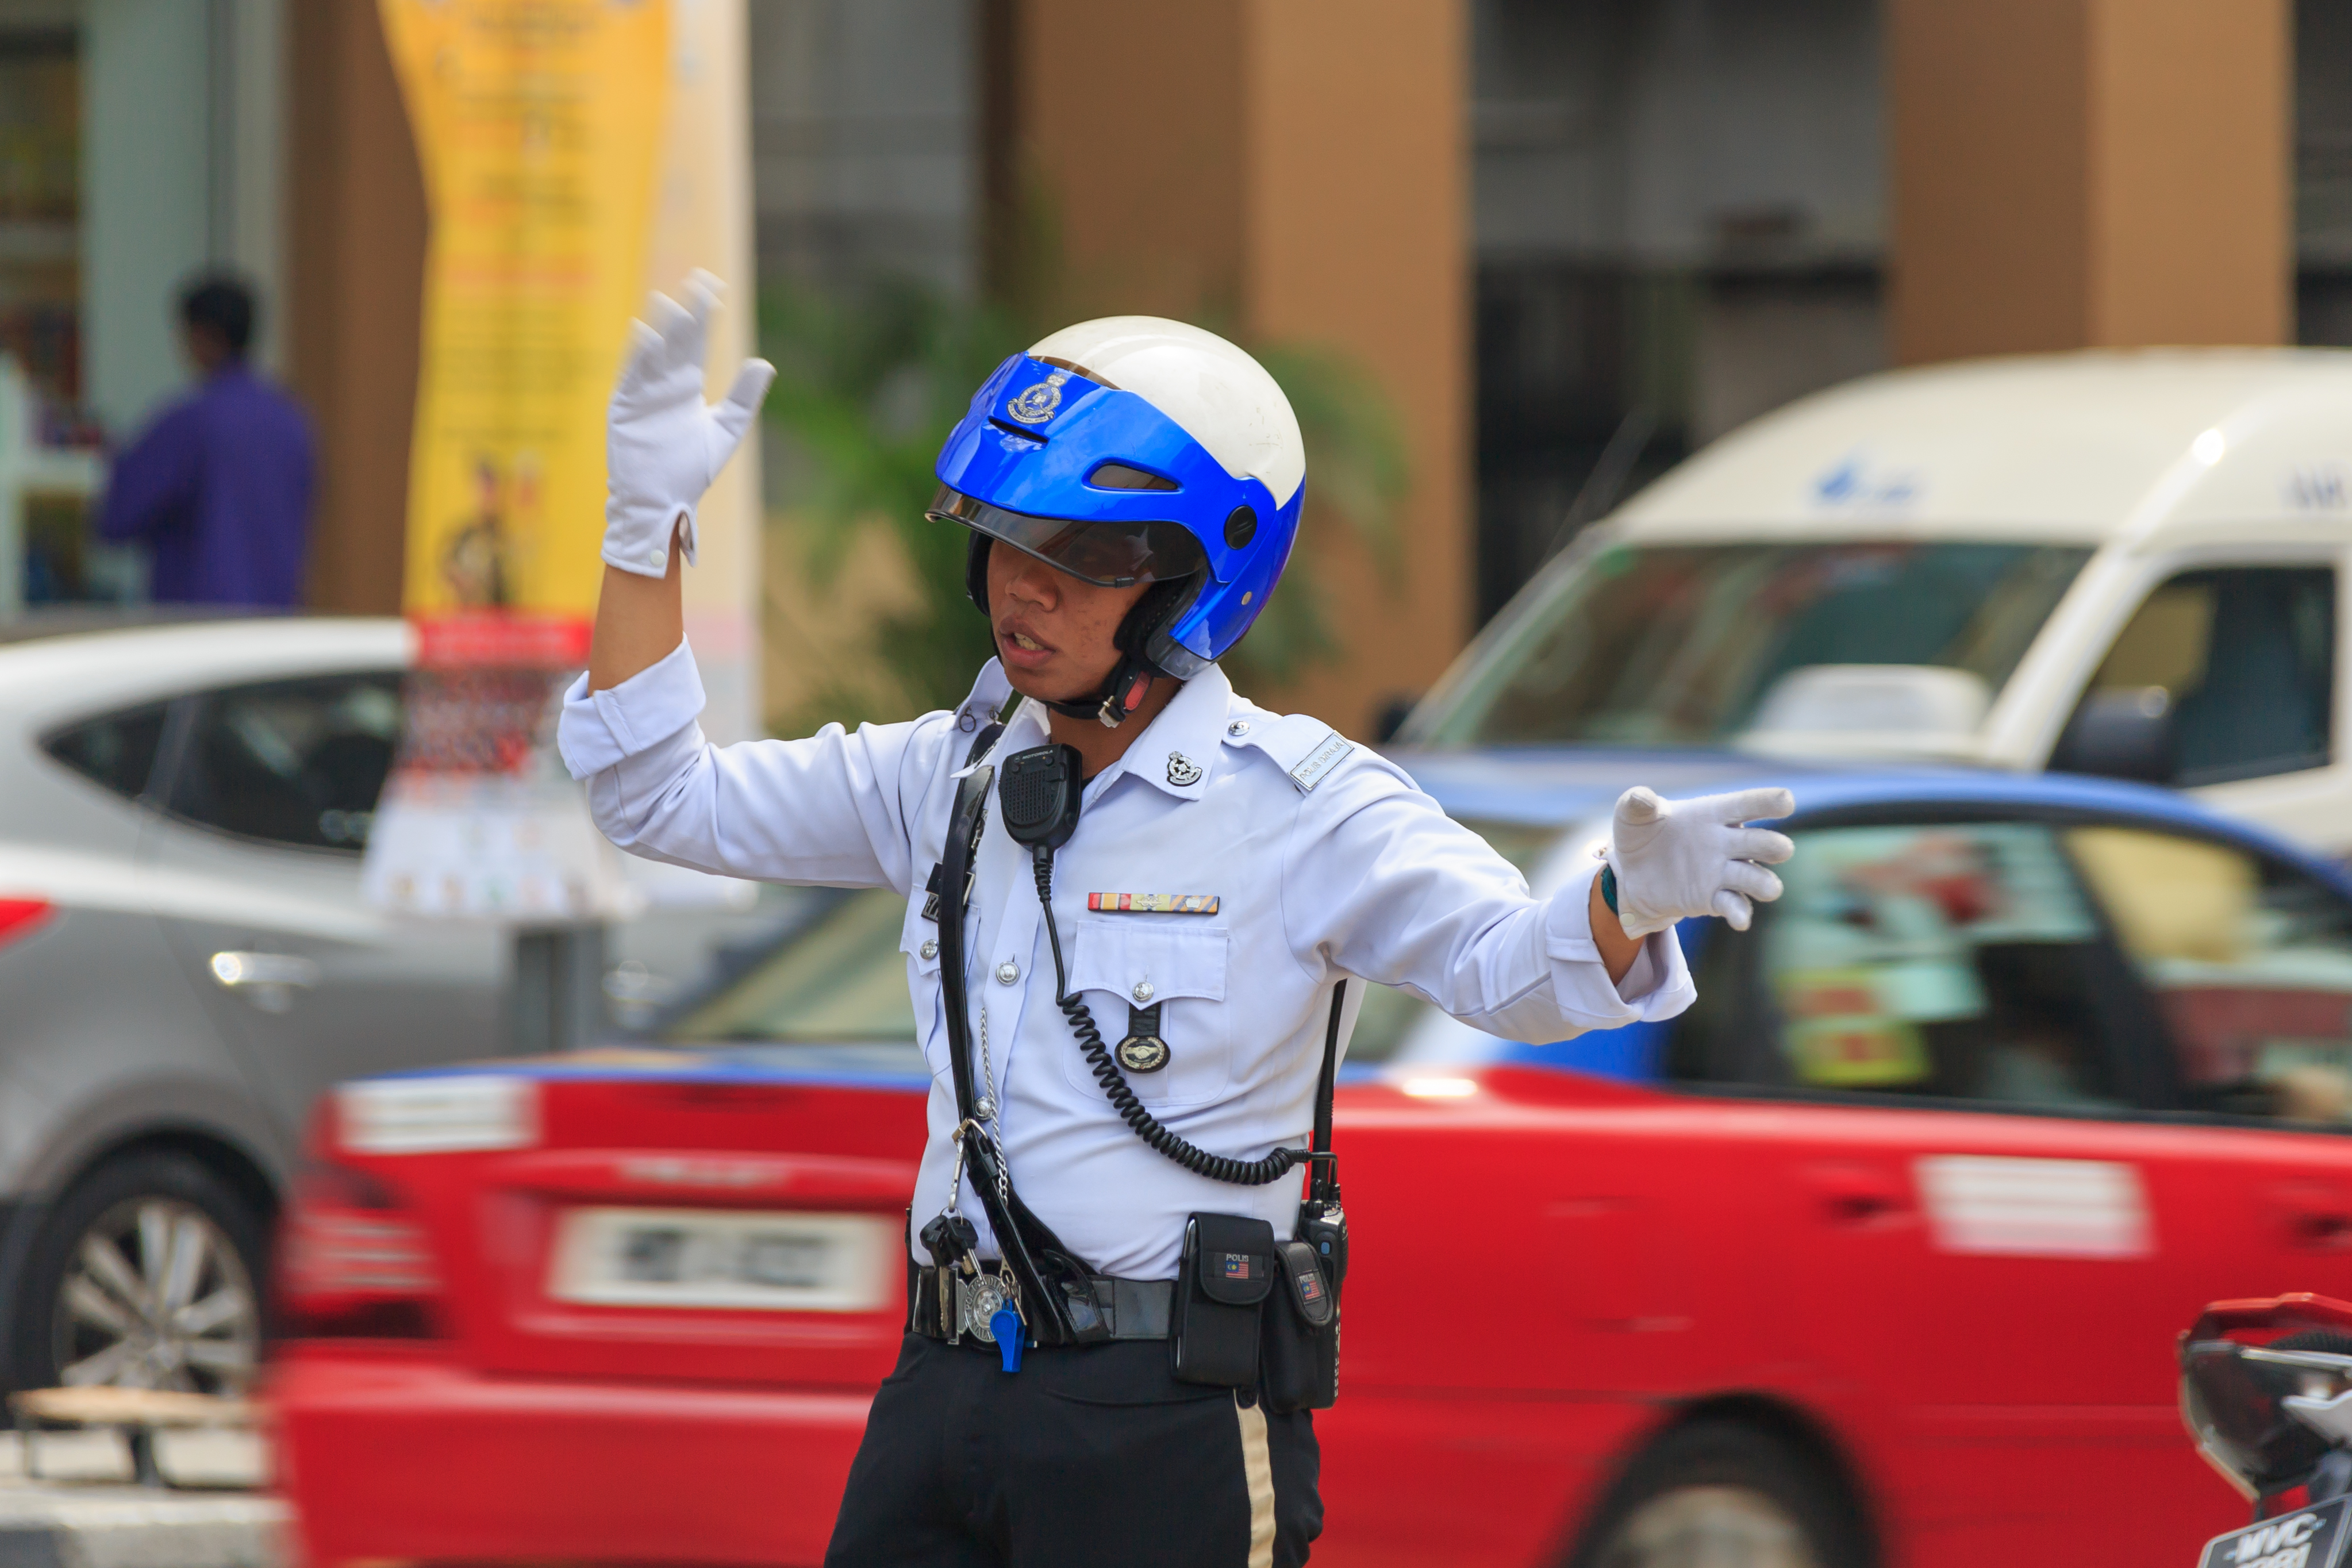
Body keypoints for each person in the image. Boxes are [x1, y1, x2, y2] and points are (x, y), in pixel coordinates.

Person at [559, 275, 1796, 1568]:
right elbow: (658, 795)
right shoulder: (948, 773)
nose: (1023, 590)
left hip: (1164, 1420)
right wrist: (643, 527)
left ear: (1199, 576)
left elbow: (1508, 971)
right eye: (1005, 539)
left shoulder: (1306, 806)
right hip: (945, 1387)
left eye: (1084, 556)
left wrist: (1621, 899)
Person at [97, 273, 314, 607]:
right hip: (276, 631)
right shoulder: (293, 424)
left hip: (200, 631)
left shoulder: (194, 422)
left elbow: (117, 516)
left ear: (201, 336)